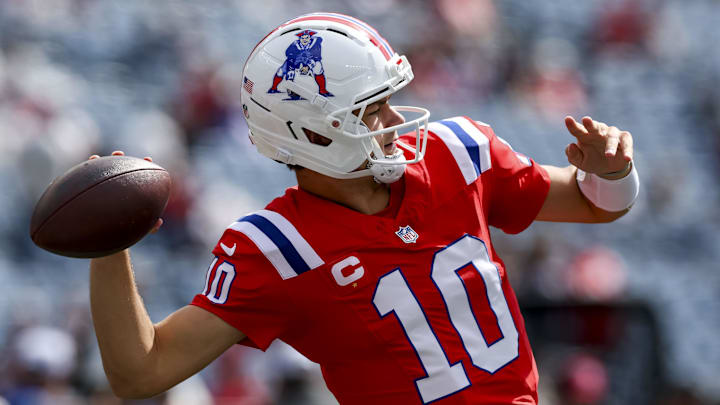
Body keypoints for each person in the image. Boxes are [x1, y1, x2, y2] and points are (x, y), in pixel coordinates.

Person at [88, 12, 640, 405]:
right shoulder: (278, 248)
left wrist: (611, 170)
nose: (396, 122)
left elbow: (597, 204)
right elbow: (142, 371)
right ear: (311, 134)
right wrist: (107, 247)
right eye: (371, 111)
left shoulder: (456, 154)